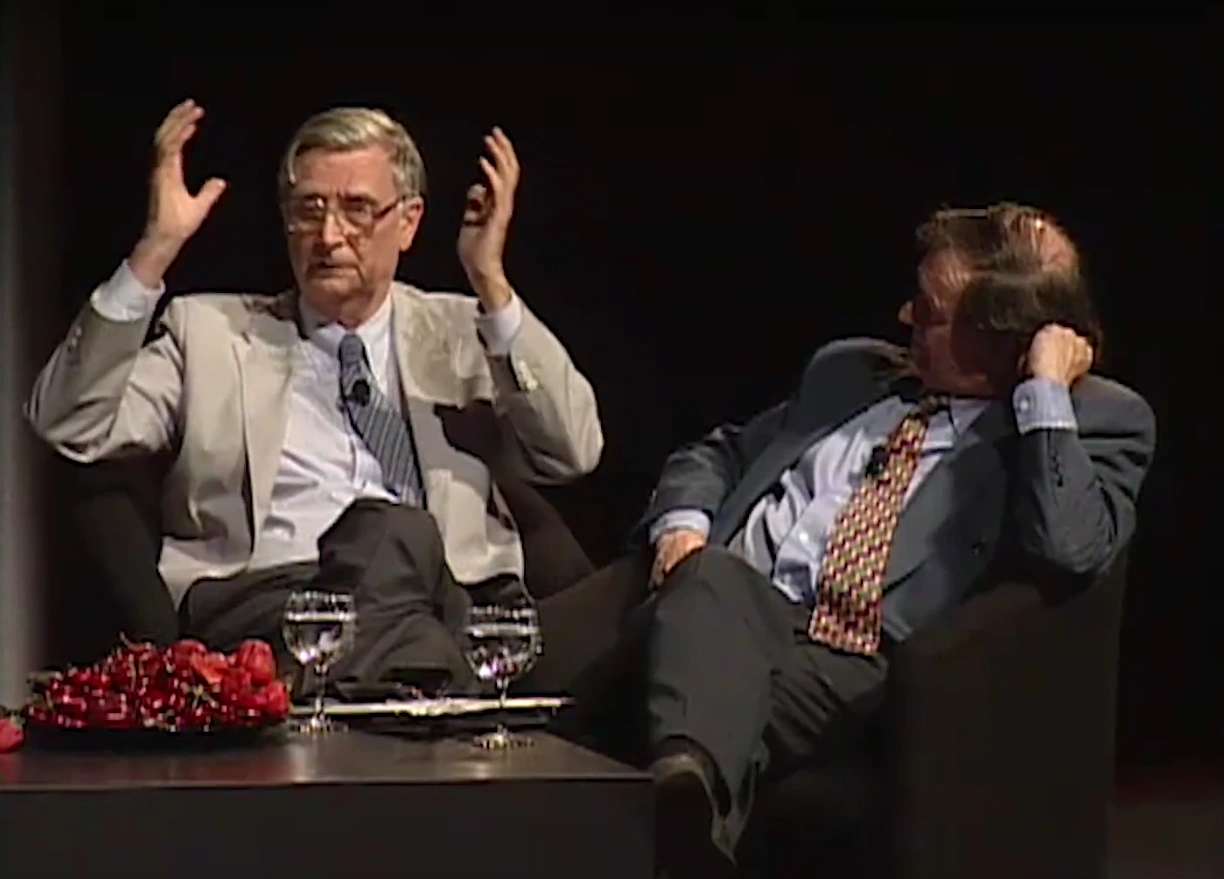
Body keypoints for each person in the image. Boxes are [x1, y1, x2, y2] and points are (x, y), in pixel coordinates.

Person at [635, 203, 1156, 877]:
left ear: (1000, 341)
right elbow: (722, 452)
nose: (905, 318)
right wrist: (684, 524)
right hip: (725, 602)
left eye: (929, 310)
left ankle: (681, 788)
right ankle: (686, 812)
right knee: (709, 587)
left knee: (653, 678)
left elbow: (1068, 546)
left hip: (854, 657)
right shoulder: (851, 371)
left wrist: (1045, 393)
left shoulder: (1097, 421)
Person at [26, 99, 605, 694]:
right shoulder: (208, 335)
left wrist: (491, 281)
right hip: (274, 602)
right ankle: (315, 685)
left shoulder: (463, 332)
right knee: (394, 531)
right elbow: (69, 423)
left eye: (357, 210)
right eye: (309, 211)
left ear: (407, 222)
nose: (329, 236)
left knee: (688, 580)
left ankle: (316, 690)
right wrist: (154, 252)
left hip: (456, 606)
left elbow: (573, 450)